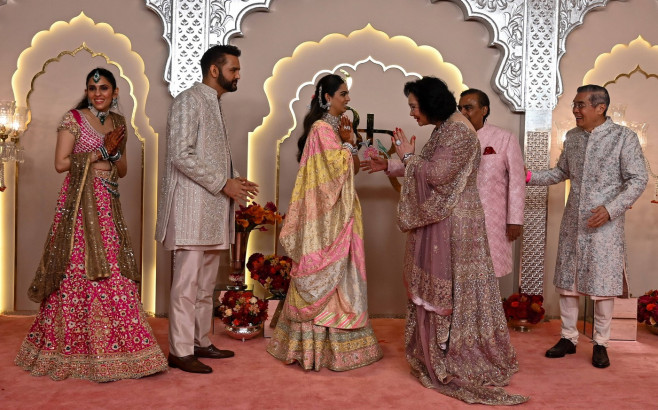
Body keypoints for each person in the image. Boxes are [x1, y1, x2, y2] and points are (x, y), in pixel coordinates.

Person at [361, 77, 527, 405]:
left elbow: (436, 175)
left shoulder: (457, 131)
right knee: (454, 288)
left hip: (456, 222)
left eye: (413, 106)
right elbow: (433, 168)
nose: (411, 113)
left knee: (457, 288)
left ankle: (456, 350)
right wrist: (393, 164)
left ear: (430, 103)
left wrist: (407, 157)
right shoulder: (447, 128)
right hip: (451, 218)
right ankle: (441, 344)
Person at [15, 68, 168, 382]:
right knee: (77, 267)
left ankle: (118, 349)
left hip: (107, 202)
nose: (98, 93)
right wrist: (99, 151)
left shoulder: (119, 123)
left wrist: (112, 154)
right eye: (92, 87)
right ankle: (73, 350)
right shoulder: (74, 118)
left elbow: (122, 169)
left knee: (113, 268)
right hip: (79, 205)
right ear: (87, 91)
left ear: (115, 92)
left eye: (104, 88)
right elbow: (60, 163)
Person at [266, 74, 383, 371]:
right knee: (325, 267)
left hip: (341, 212)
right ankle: (316, 346)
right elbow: (331, 175)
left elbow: (350, 169)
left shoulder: (338, 129)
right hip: (325, 216)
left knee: (344, 271)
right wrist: (347, 144)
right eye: (343, 94)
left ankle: (344, 345)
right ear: (327, 98)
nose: (348, 99)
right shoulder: (320, 128)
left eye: (347, 94)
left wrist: (350, 142)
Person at [527, 84, 647, 368]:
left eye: (580, 105)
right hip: (574, 221)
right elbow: (561, 172)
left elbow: (638, 179)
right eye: (575, 105)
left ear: (600, 107)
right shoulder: (573, 137)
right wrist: (529, 176)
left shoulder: (623, 138)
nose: (575, 110)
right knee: (568, 282)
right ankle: (568, 338)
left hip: (605, 224)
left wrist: (610, 210)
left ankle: (602, 343)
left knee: (603, 286)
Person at [155, 45, 258, 374]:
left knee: (204, 285)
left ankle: (200, 341)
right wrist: (223, 183)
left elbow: (211, 156)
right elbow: (180, 154)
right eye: (234, 69)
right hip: (191, 209)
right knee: (186, 284)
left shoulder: (213, 103)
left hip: (213, 210)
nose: (238, 75)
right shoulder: (189, 99)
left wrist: (235, 181)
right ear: (214, 70)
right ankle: (180, 350)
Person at [458, 89, 525, 278]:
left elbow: (517, 181)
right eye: (460, 108)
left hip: (492, 219)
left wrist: (514, 220)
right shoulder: (453, 139)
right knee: (460, 274)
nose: (463, 113)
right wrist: (390, 165)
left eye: (468, 108)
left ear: (484, 110)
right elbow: (432, 167)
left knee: (488, 274)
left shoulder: (504, 138)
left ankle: (487, 309)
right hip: (458, 218)